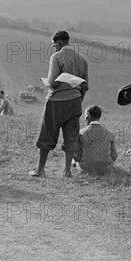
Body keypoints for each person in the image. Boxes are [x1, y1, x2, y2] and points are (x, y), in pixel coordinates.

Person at [30, 30, 88, 178]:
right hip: (74, 102)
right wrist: (79, 99)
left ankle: (40, 169)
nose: (54, 48)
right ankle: (67, 171)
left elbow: (53, 84)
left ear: (59, 43)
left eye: (54, 45)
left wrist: (44, 81)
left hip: (56, 102)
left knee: (47, 134)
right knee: (71, 136)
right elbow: (85, 85)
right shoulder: (82, 59)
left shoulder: (57, 57)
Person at [74, 105, 118, 176]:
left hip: (86, 169)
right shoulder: (109, 134)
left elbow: (77, 157)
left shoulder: (81, 133)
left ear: (88, 116)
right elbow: (115, 155)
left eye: (85, 117)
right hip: (106, 170)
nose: (85, 120)